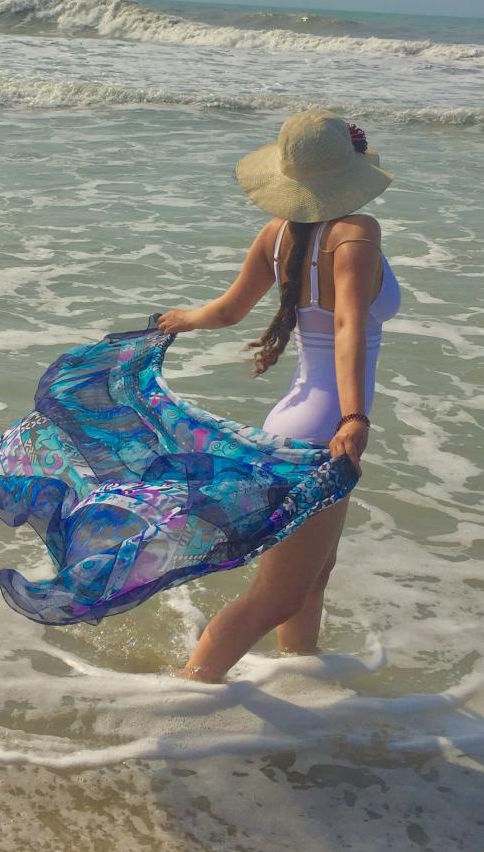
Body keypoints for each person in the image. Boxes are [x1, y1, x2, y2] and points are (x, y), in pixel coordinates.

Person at [156, 108, 400, 682]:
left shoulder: (278, 234)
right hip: (323, 431)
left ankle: (302, 677)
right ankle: (188, 689)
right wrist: (354, 416)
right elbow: (347, 323)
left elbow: (228, 311)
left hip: (291, 421)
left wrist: (182, 318)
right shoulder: (357, 234)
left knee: (314, 576)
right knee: (277, 594)